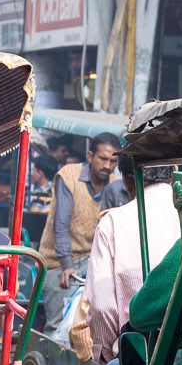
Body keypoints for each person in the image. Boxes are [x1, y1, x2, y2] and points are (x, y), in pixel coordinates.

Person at [87, 158, 182, 365]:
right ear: (174, 171)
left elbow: (103, 307)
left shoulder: (114, 222)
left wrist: (106, 356)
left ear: (128, 181)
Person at [37, 131, 129, 306]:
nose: (107, 166)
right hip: (59, 261)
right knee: (57, 327)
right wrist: (67, 266)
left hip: (92, 263)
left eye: (113, 161)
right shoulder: (69, 175)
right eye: (103, 159)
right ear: (90, 155)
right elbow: (61, 225)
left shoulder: (117, 184)